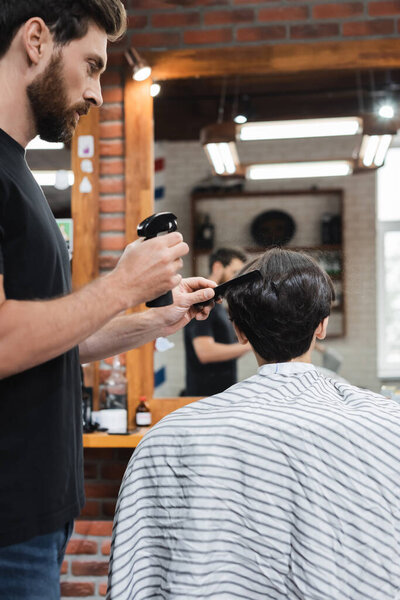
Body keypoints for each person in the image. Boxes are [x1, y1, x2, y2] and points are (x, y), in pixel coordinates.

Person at [0, 2, 215, 597]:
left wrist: (156, 316)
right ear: (37, 41)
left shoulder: (23, 178)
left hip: (36, 518)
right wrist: (121, 283)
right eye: (91, 65)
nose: (97, 92)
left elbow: (50, 339)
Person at [109, 248, 400, 600]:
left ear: (239, 332)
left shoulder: (169, 437)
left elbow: (137, 578)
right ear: (322, 324)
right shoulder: (388, 425)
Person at [184, 247, 251, 396]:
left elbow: (226, 350)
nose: (236, 279)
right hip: (203, 399)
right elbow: (205, 352)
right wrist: (252, 346)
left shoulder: (217, 305)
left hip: (220, 396)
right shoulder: (203, 303)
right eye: (234, 272)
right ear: (218, 267)